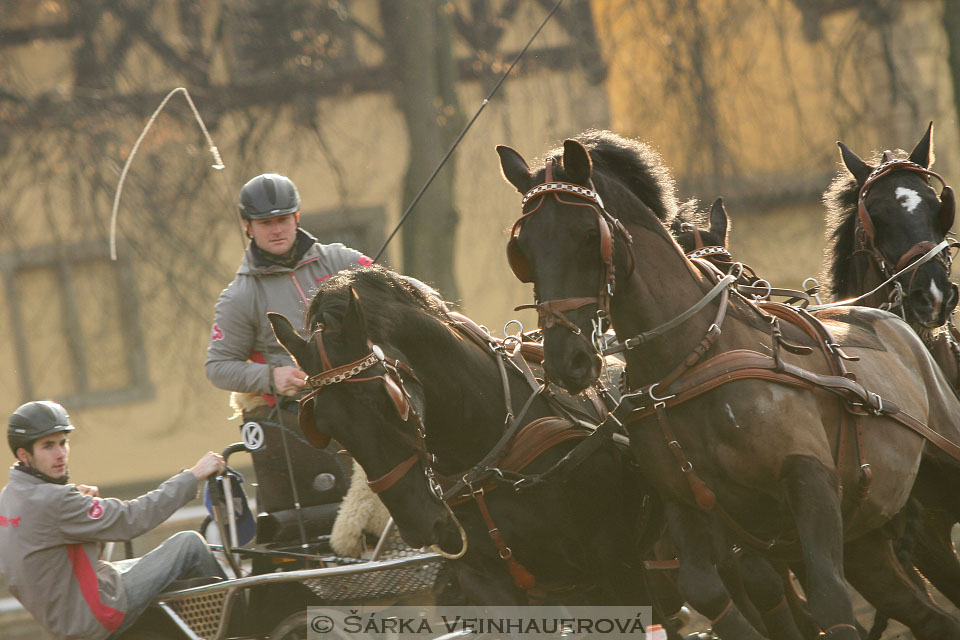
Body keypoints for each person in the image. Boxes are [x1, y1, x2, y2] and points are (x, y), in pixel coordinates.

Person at [0, 400, 227, 639]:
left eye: (63, 443)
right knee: (189, 545)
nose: (60, 454)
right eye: (48, 446)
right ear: (24, 455)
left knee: (160, 564)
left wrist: (84, 514)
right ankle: (242, 629)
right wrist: (193, 476)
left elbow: (60, 558)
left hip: (66, 619)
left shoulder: (10, 497)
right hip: (93, 614)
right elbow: (131, 518)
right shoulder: (54, 499)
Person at [205, 172, 375, 405]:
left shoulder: (337, 259)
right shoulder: (239, 296)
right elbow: (218, 367)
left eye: (283, 219)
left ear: (296, 218)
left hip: (367, 383)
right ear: (248, 227)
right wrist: (271, 377)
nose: (276, 230)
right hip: (303, 403)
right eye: (266, 223)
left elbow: (397, 285)